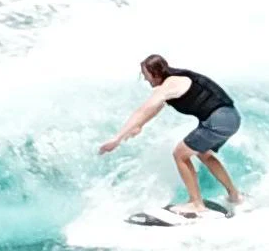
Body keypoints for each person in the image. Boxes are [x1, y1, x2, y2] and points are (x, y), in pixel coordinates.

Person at [100, 53, 246, 217]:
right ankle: (235, 196)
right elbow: (154, 108)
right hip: (230, 118)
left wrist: (117, 138)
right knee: (204, 154)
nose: (146, 80)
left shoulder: (169, 84)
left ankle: (196, 203)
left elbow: (144, 109)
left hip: (217, 120)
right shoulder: (175, 80)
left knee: (180, 154)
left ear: (154, 73)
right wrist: (139, 125)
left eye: (145, 75)